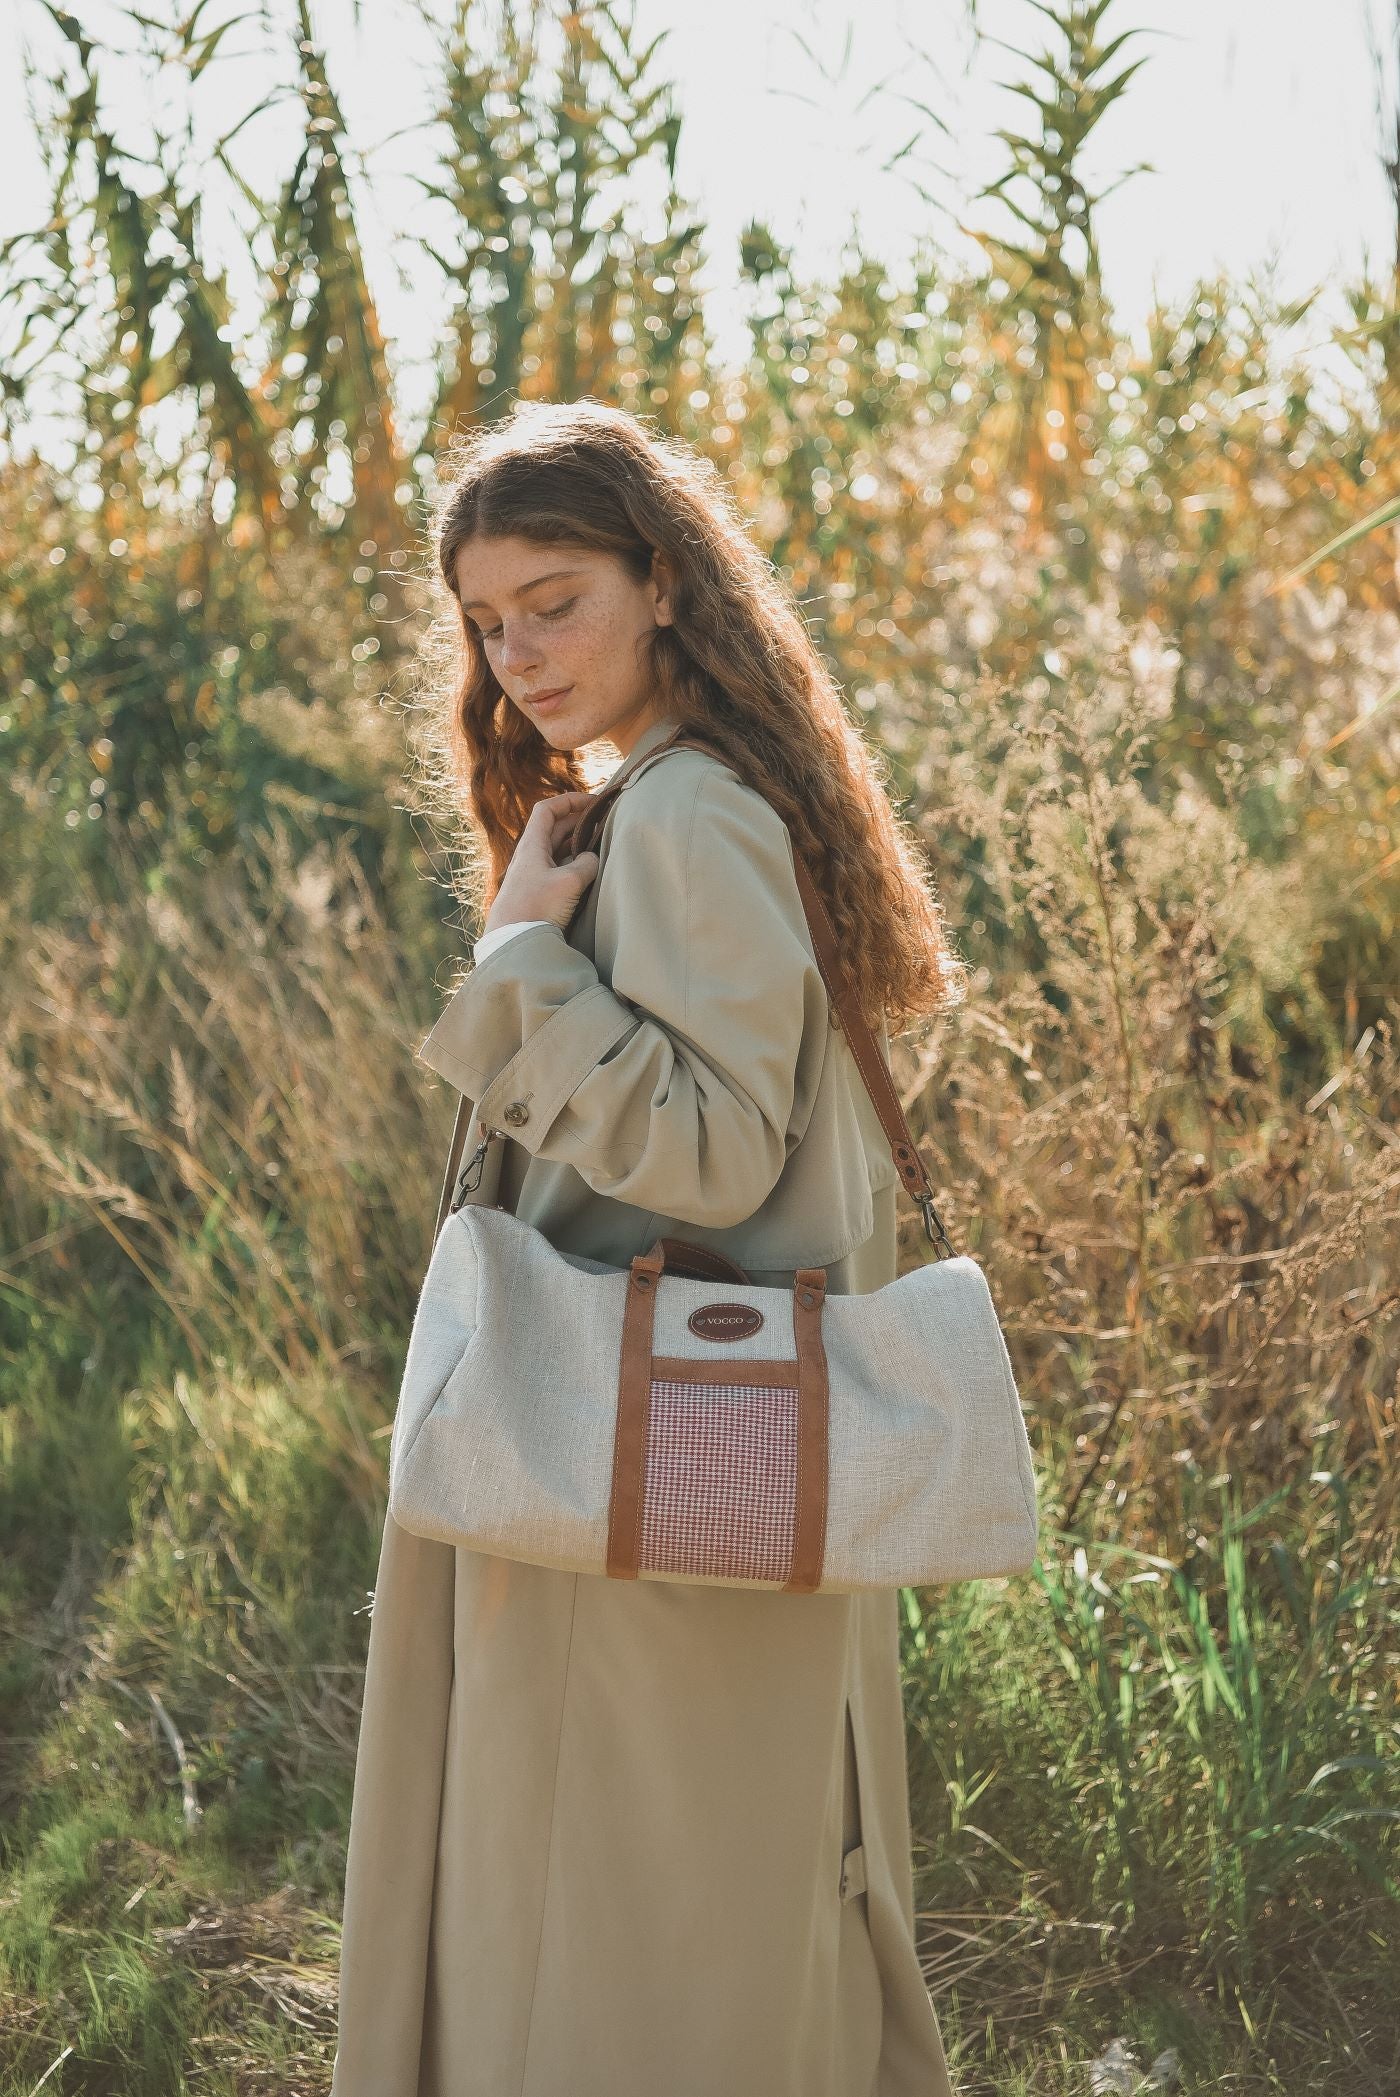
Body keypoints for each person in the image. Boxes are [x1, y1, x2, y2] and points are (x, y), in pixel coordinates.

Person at [330, 397, 967, 2097]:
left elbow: (705, 1147)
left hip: (640, 1469)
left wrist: (518, 963)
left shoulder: (686, 813)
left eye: (557, 600)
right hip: (702, 1464)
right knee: (711, 1920)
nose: (517, 650)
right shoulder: (691, 790)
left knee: (612, 1935)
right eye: (486, 619)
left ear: (664, 580)